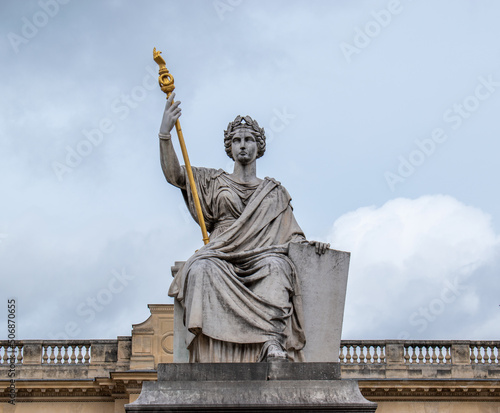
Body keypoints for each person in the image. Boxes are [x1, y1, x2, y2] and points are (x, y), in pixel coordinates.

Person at [159, 93, 329, 362]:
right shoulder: (213, 180)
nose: (242, 146)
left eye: (248, 140)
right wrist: (165, 135)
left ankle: (271, 343)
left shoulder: (275, 192)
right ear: (229, 147)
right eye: (236, 140)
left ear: (259, 146)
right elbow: (175, 175)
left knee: (278, 267)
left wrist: (312, 246)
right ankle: (211, 349)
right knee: (201, 268)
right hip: (221, 253)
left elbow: (293, 236)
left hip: (263, 254)